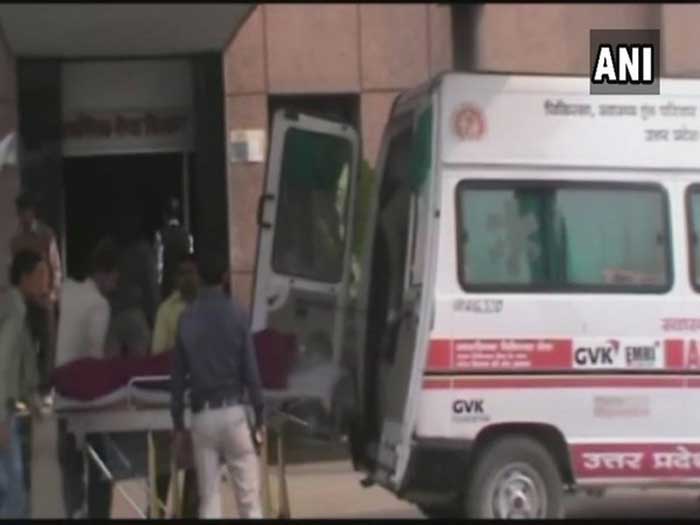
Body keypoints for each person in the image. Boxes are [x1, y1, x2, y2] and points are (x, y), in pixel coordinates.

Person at [171, 253, 264, 519]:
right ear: (225, 277)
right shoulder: (238, 314)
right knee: (249, 503)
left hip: (202, 418)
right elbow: (251, 373)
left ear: (198, 277)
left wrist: (178, 424)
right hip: (233, 413)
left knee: (209, 501)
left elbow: (177, 379)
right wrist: (260, 416)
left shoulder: (186, 318)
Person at [54, 240, 119, 519]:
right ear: (105, 274)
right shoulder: (100, 305)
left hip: (61, 389)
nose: (116, 284)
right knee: (102, 464)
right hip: (84, 394)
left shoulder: (68, 290)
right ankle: (98, 515)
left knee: (69, 460)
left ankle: (74, 512)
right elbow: (94, 358)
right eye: (115, 277)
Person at [150, 254, 200, 517]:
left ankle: (190, 512)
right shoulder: (166, 310)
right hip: (172, 391)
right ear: (174, 278)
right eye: (182, 273)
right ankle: (157, 509)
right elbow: (159, 356)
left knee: (199, 462)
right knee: (163, 462)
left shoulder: (210, 306)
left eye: (191, 272)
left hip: (202, 394)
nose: (187, 278)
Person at [0, 250, 49, 518]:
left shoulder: (18, 308)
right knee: (14, 494)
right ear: (24, 277)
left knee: (14, 493)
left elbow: (24, 360)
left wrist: (32, 398)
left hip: (8, 411)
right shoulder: (14, 309)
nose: (46, 280)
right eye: (40, 274)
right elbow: (4, 363)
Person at [10, 191, 62, 395]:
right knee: (27, 345)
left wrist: (52, 296)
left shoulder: (46, 235)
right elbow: (14, 274)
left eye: (27, 211)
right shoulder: (16, 241)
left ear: (32, 212)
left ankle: (47, 389)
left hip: (44, 298)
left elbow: (56, 268)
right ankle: (29, 390)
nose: (24, 216)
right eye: (20, 212)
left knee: (48, 346)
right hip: (25, 301)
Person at [115, 212, 160, 329]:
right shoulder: (143, 252)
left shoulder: (121, 252)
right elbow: (152, 288)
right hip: (135, 314)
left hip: (124, 312)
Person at [155, 197, 193, 301]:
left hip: (167, 284)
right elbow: (190, 260)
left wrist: (158, 284)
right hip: (183, 283)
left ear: (164, 215)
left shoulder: (160, 234)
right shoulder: (187, 235)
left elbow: (159, 263)